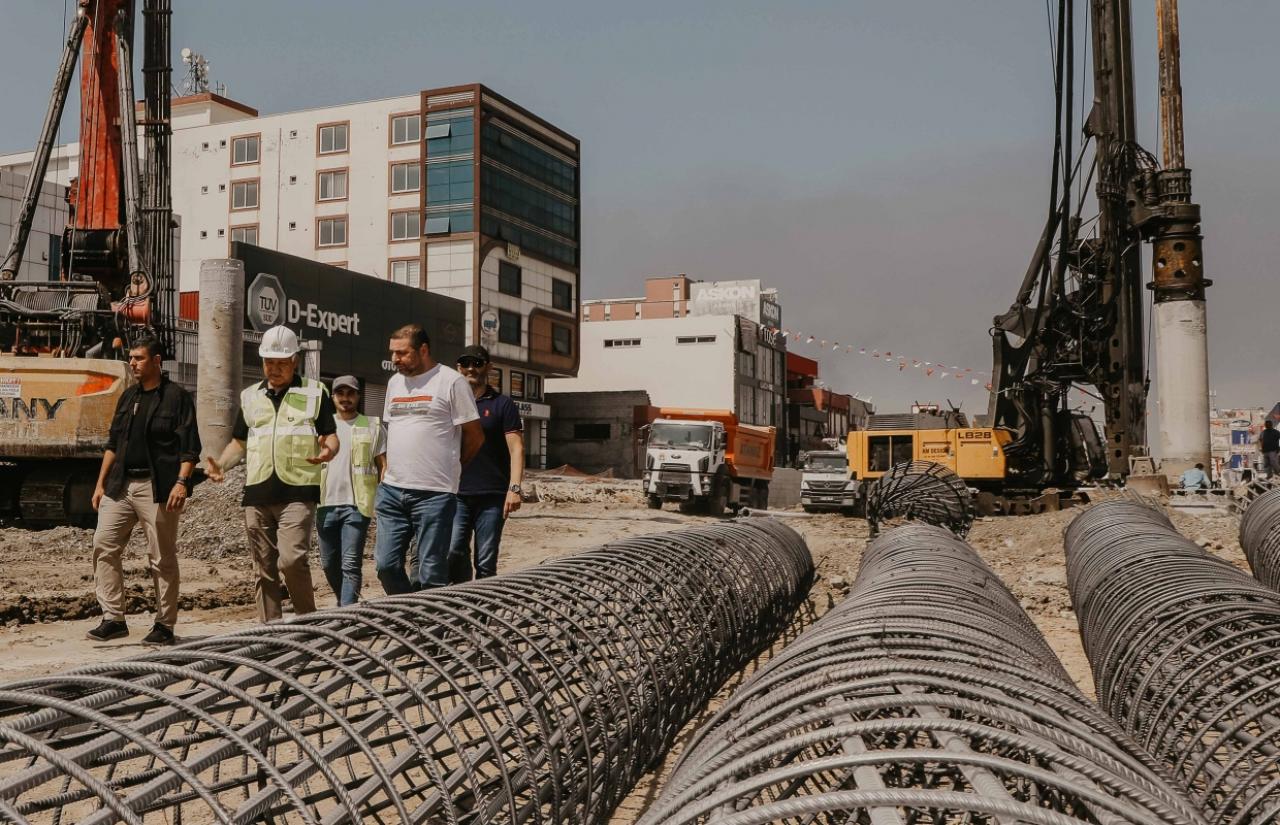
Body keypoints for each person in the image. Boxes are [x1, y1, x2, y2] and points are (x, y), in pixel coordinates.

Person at [206, 325, 338, 622]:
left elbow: (330, 435)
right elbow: (239, 442)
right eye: (269, 362)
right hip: (258, 492)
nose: (274, 368)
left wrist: (329, 450)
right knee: (263, 567)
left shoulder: (315, 393)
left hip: (298, 491)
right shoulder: (250, 396)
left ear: (295, 361)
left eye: (281, 362)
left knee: (292, 560)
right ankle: (271, 633)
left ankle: (308, 624)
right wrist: (222, 465)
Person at [87, 336, 200, 645]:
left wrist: (181, 482)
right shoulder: (128, 397)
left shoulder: (177, 398)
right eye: (131, 358)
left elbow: (190, 448)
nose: (133, 363)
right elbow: (113, 444)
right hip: (120, 484)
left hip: (158, 486)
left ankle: (164, 625)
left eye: (138, 358)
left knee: (161, 557)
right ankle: (113, 618)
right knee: (103, 544)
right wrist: (100, 485)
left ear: (156, 361)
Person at [375, 324, 483, 593]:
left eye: (402, 353)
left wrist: (454, 467)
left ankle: (431, 629)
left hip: (434, 494)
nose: (395, 359)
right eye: (393, 353)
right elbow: (393, 430)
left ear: (423, 350)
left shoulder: (451, 382)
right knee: (385, 565)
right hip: (392, 491)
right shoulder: (394, 383)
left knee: (431, 572)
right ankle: (410, 615)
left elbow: (475, 436)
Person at [448, 346, 524, 583]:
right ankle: (463, 603)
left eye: (478, 363)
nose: (471, 368)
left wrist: (514, 489)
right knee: (453, 551)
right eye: (466, 363)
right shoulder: (450, 405)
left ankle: (482, 615)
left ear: (488, 368)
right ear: (458, 368)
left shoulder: (503, 404)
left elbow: (517, 448)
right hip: (457, 493)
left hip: (493, 496)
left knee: (485, 561)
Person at [317, 375, 385, 606]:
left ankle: (347, 615)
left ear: (358, 395)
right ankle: (344, 603)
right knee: (328, 563)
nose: (345, 398)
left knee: (350, 564)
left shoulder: (372, 425)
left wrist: (382, 498)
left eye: (350, 393)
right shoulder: (322, 427)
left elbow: (382, 466)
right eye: (340, 393)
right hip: (324, 503)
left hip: (357, 505)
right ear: (333, 397)